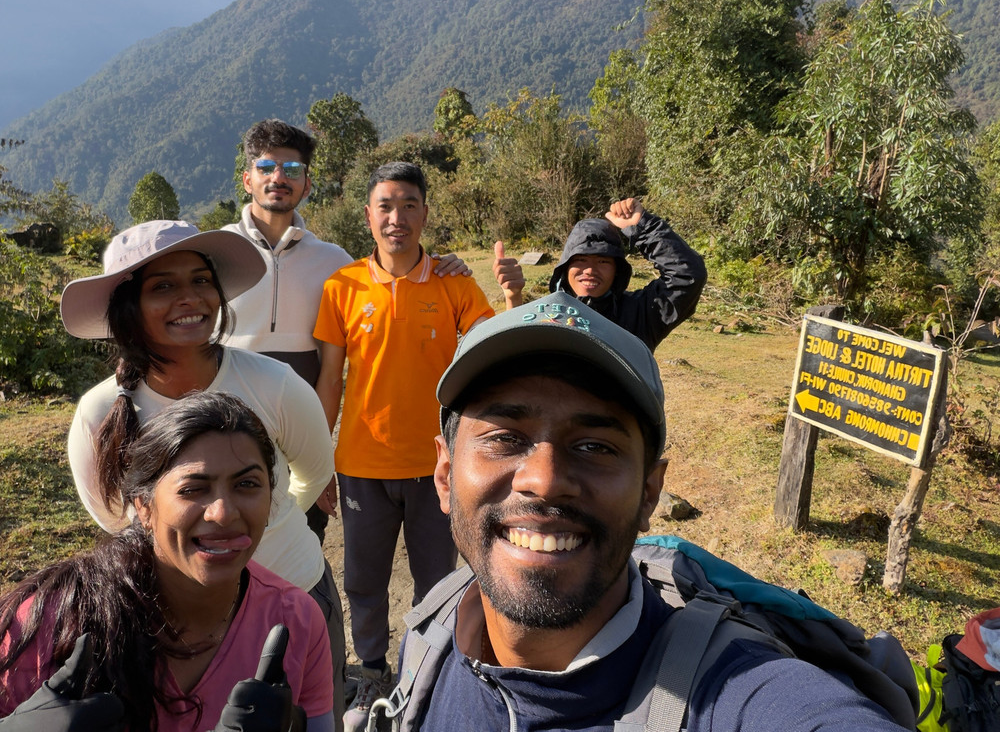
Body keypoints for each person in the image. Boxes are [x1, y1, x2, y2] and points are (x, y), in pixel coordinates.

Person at [375, 291, 907, 731]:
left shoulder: (736, 695)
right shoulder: (433, 632)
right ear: (444, 474)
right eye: (505, 438)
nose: (544, 480)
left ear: (651, 491)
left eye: (594, 446)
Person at [59, 219, 347, 727]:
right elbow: (115, 517)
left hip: (296, 590)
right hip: (172, 618)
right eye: (163, 286)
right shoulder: (100, 411)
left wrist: (252, 528)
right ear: (129, 308)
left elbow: (314, 471)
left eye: (200, 280)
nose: (189, 298)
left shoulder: (273, 384)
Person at [0, 391, 333, 732]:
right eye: (193, 489)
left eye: (247, 484)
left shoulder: (297, 622)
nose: (223, 513)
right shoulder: (49, 619)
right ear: (144, 507)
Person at [223, 119, 470, 543]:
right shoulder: (217, 252)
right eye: (266, 167)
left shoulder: (333, 262)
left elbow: (388, 271)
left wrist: (448, 266)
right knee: (227, 528)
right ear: (247, 178)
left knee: (301, 543)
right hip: (227, 424)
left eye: (292, 170)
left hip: (298, 423)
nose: (278, 178)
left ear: (307, 183)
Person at [312, 161, 495, 732]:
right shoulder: (342, 287)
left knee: (437, 579)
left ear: (424, 213)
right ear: (368, 216)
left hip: (436, 465)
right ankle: (368, 673)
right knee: (362, 580)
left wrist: (510, 287)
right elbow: (330, 381)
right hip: (361, 465)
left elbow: (493, 344)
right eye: (385, 206)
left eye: (409, 205)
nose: (397, 218)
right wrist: (320, 463)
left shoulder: (453, 283)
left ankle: (430, 666)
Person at [493, 197, 706, 351]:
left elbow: (687, 275)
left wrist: (641, 227)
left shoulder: (641, 313)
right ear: (565, 267)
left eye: (603, 261)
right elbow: (515, 358)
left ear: (617, 271)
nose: (590, 270)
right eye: (581, 260)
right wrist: (513, 297)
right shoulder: (546, 314)